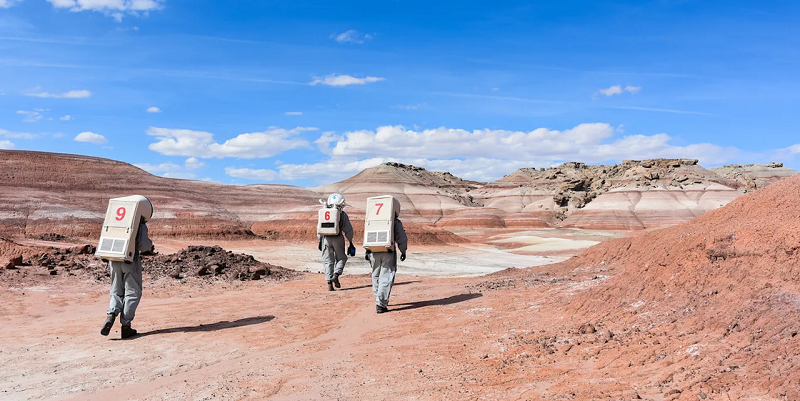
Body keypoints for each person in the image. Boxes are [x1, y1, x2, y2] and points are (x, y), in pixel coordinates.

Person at [100, 217, 153, 339]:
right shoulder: (138, 222)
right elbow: (143, 245)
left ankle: (111, 314)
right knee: (132, 292)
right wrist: (150, 246)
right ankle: (126, 326)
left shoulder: (114, 220)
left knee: (116, 291)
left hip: (113, 259)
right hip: (129, 260)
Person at [366, 210, 408, 314]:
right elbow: (401, 238)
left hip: (373, 251)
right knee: (386, 276)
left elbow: (367, 235)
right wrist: (403, 251)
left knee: (375, 275)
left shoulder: (372, 220)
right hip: (388, 251)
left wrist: (367, 251)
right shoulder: (395, 221)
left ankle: (378, 297)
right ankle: (380, 303)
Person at [318, 193, 355, 291]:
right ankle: (336, 274)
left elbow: (319, 227)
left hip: (325, 238)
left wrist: (320, 240)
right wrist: (350, 242)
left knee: (328, 261)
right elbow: (348, 229)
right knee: (342, 258)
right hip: (338, 237)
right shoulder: (342, 214)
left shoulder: (323, 212)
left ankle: (329, 283)